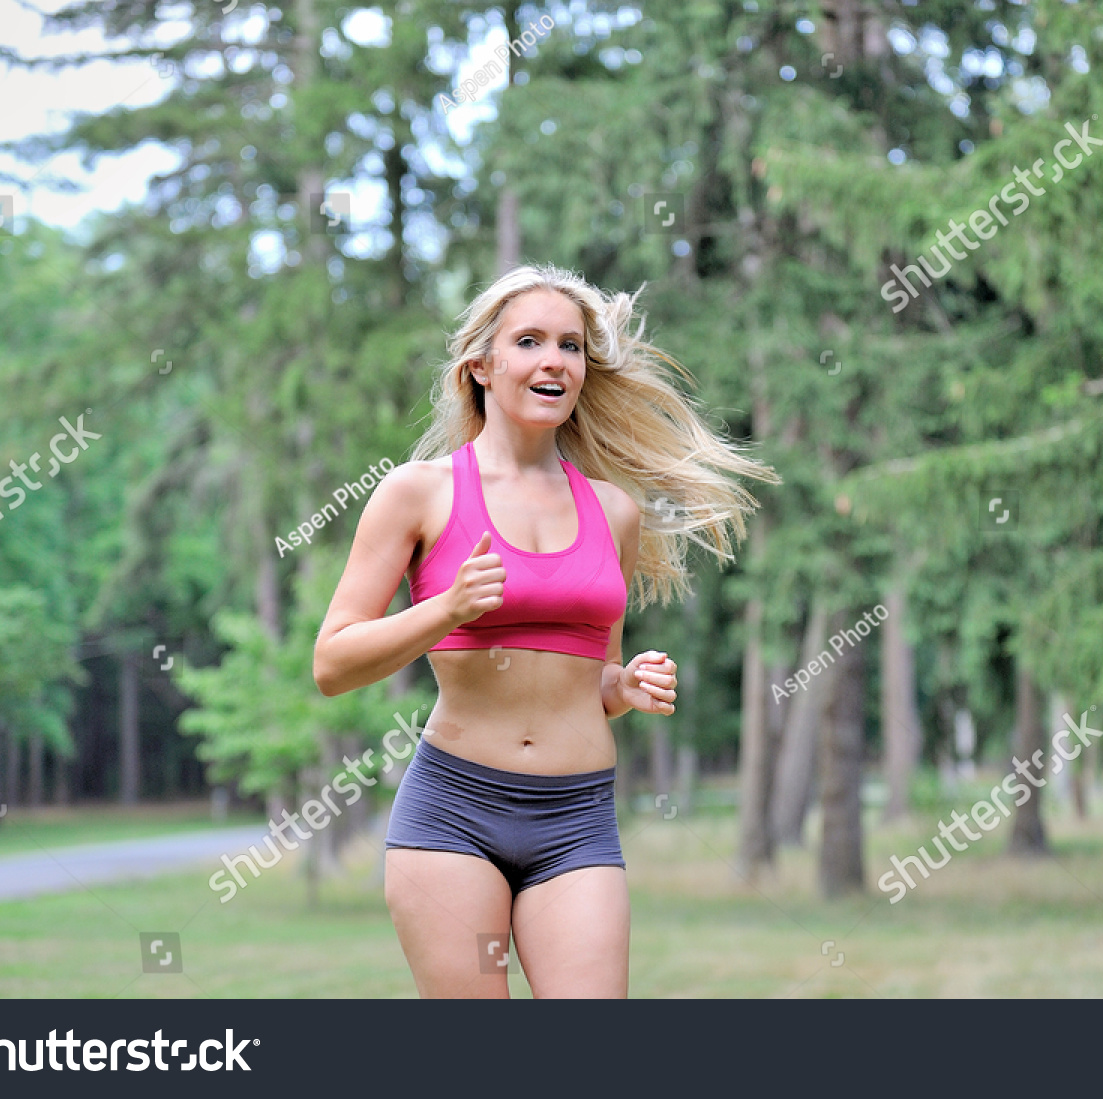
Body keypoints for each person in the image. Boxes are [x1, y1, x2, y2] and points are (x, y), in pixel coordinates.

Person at [313, 264, 777, 998]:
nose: (554, 360)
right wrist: (446, 609)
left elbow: (595, 676)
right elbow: (333, 663)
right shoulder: (419, 493)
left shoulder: (612, 510)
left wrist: (625, 685)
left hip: (577, 817)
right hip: (452, 813)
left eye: (570, 345)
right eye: (528, 341)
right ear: (482, 366)